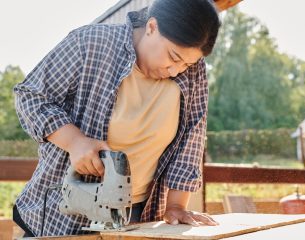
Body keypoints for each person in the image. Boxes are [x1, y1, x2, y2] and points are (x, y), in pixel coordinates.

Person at [13, 0, 221, 236]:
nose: (176, 70)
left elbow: (191, 137)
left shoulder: (194, 72)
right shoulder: (89, 43)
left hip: (138, 215)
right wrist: (75, 141)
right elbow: (31, 95)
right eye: (173, 57)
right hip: (59, 217)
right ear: (152, 27)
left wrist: (175, 206)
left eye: (187, 63)